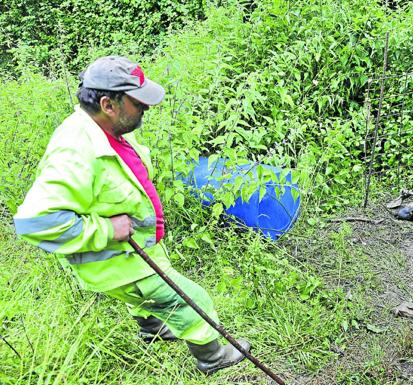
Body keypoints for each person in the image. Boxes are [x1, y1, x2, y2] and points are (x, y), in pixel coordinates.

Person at [12, 56, 250, 375]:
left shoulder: (107, 128)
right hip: (118, 261)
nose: (145, 109)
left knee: (150, 296)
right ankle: (212, 357)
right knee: (191, 299)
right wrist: (107, 230)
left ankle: (152, 328)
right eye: (138, 103)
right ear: (109, 104)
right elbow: (34, 222)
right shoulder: (74, 152)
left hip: (136, 250)